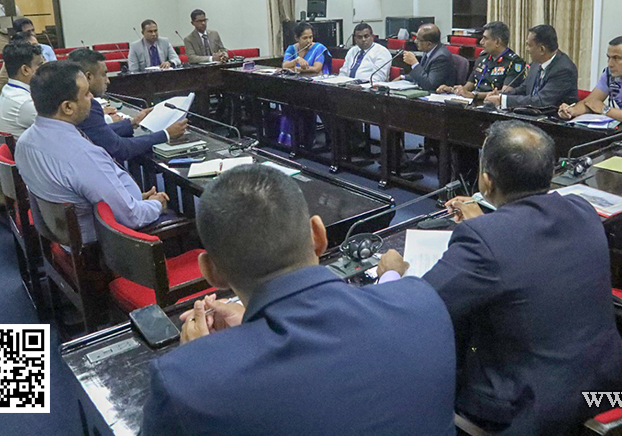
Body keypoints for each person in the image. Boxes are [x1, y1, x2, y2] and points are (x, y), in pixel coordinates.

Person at [142, 164, 456, 436]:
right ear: (318, 235)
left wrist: (202, 359)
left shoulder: (185, 383)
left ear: (210, 272)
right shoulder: (424, 303)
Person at [378, 121, 622, 435]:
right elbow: (527, 245)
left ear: (486, 182)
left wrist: (392, 272)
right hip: (610, 385)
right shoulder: (581, 209)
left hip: (538, 412)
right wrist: (490, 222)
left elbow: (420, 309)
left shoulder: (483, 239)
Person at [14, 62, 170, 243]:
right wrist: (156, 204)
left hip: (63, 234)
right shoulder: (81, 156)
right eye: (86, 93)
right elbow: (132, 217)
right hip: (104, 243)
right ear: (68, 107)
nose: (92, 97)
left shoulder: (24, 142)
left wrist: (128, 198)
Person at [68, 49, 187, 162]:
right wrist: (166, 134)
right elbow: (120, 148)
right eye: (104, 74)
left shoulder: (72, 100)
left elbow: (97, 132)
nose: (108, 81)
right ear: (89, 77)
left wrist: (133, 122)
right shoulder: (87, 106)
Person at [486, 24, 578, 110]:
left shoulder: (564, 70)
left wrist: (502, 100)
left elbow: (541, 101)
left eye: (529, 45)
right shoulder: (536, 63)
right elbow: (524, 89)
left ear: (542, 49)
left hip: (552, 118)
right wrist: (501, 95)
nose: (527, 49)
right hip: (531, 115)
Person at [436, 21, 526, 101]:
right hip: (474, 103)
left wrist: (475, 95)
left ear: (497, 42)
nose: (481, 42)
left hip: (493, 106)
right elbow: (468, 86)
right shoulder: (483, 58)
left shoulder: (514, 62)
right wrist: (452, 90)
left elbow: (505, 93)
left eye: (485, 38)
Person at [0, 41, 44, 138]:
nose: (44, 69)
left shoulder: (9, 89)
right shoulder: (24, 103)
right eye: (40, 65)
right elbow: (59, 126)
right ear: (25, 70)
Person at [399, 23, 455, 91]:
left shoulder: (441, 57)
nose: (415, 41)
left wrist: (414, 63)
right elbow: (422, 75)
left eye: (418, 39)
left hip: (438, 94)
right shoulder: (428, 51)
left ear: (429, 44)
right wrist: (403, 77)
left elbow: (429, 85)